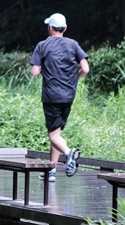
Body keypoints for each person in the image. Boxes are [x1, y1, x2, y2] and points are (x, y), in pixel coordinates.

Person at [30, 13, 89, 181]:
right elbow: (85, 68)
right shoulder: (73, 44)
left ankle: (70, 153)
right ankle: (52, 171)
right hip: (68, 95)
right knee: (57, 133)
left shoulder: (43, 45)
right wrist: (74, 78)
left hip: (51, 96)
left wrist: (45, 69)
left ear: (50, 28)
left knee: (54, 136)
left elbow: (34, 72)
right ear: (65, 28)